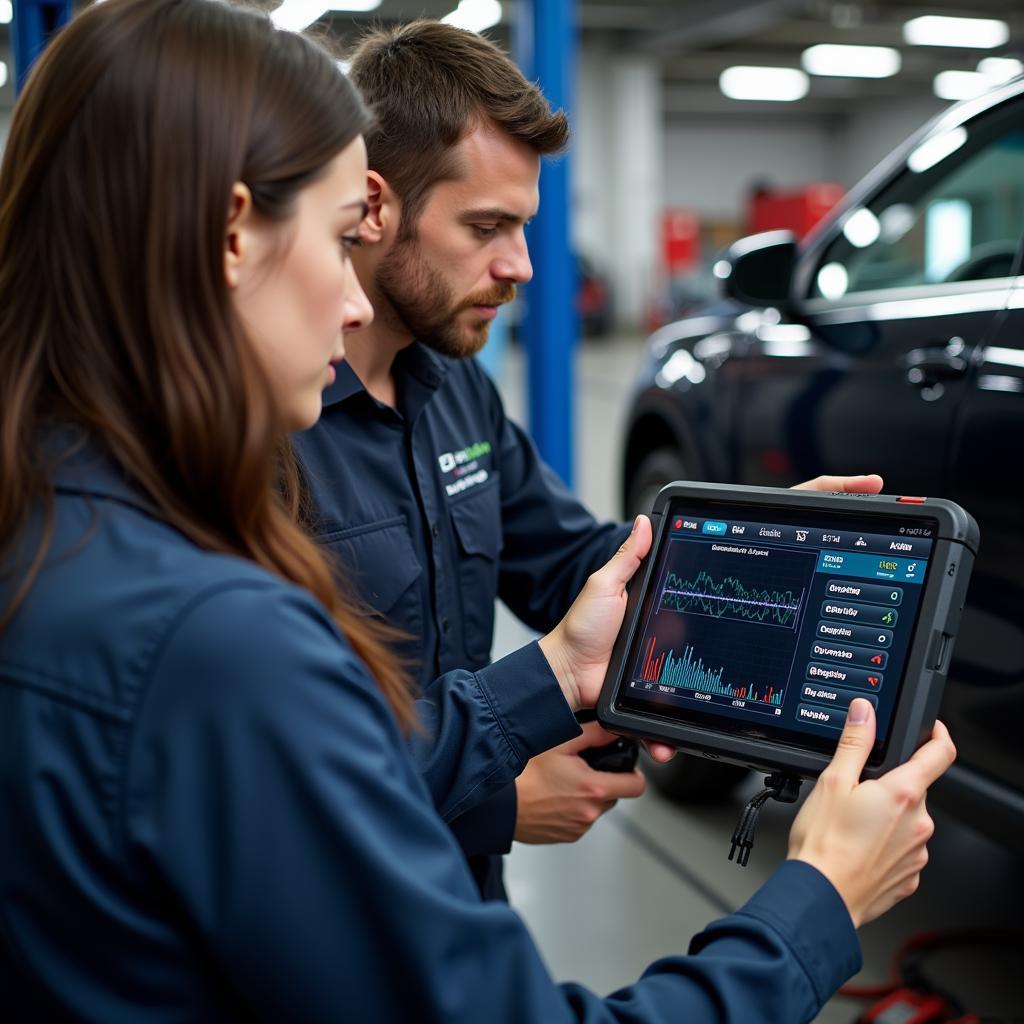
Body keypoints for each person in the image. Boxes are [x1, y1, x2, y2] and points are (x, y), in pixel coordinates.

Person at [0, 1, 957, 1019]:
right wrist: (816, 900)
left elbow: (561, 565)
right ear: (244, 233)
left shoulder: (71, 510)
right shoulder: (212, 620)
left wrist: (759, 559)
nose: (355, 300)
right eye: (337, 236)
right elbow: (292, 757)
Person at [293, 18, 886, 899]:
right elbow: (277, 771)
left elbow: (570, 559)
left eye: (526, 225)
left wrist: (760, 553)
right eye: (487, 226)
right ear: (374, 208)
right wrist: (488, 800)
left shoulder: (456, 389)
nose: (523, 266)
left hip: (462, 899)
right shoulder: (264, 436)